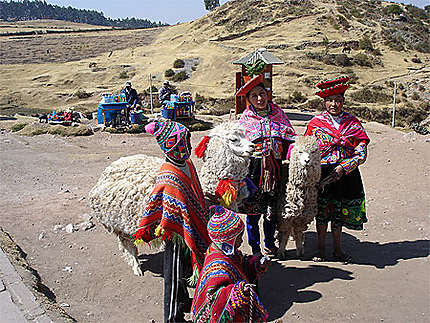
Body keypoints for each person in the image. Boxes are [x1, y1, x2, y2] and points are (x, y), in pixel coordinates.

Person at [132, 120, 211, 322]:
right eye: (185, 142)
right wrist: (180, 224)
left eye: (188, 141)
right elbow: (166, 207)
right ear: (172, 146)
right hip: (175, 233)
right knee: (173, 275)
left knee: (183, 271)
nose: (190, 146)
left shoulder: (186, 164)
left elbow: (194, 195)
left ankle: (184, 301)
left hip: (187, 228)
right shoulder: (168, 176)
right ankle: (172, 317)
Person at [305, 76, 370, 263]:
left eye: (338, 100)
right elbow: (307, 148)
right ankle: (320, 249)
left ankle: (338, 249)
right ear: (324, 102)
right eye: (330, 100)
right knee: (322, 213)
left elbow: (361, 152)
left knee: (338, 214)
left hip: (345, 174)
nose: (334, 104)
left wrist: (343, 167)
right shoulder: (315, 124)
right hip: (322, 173)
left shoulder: (352, 123)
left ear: (343, 101)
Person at [237, 74, 296, 256]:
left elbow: (290, 140)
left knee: (271, 212)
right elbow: (238, 147)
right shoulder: (245, 120)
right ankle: (255, 248)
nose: (260, 98)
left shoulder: (279, 114)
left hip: (275, 171)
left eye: (262, 93)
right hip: (253, 173)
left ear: (267, 94)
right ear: (249, 100)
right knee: (253, 214)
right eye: (254, 96)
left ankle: (269, 243)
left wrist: (292, 154)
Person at [191, 205, 269, 322]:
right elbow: (214, 299)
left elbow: (240, 263)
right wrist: (237, 292)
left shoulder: (224, 252)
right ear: (227, 240)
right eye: (239, 238)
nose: (242, 241)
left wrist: (256, 264)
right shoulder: (217, 268)